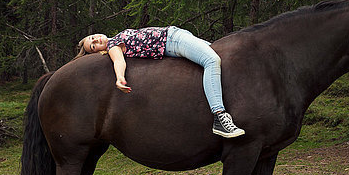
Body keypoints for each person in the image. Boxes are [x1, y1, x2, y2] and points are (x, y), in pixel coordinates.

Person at [77, 26, 245, 138]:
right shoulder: (113, 45)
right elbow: (119, 61)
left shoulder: (115, 37)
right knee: (212, 61)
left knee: (220, 59)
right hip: (172, 40)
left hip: (176, 34)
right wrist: (120, 78)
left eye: (92, 37)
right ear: (98, 52)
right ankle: (219, 117)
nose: (96, 40)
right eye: (93, 46)